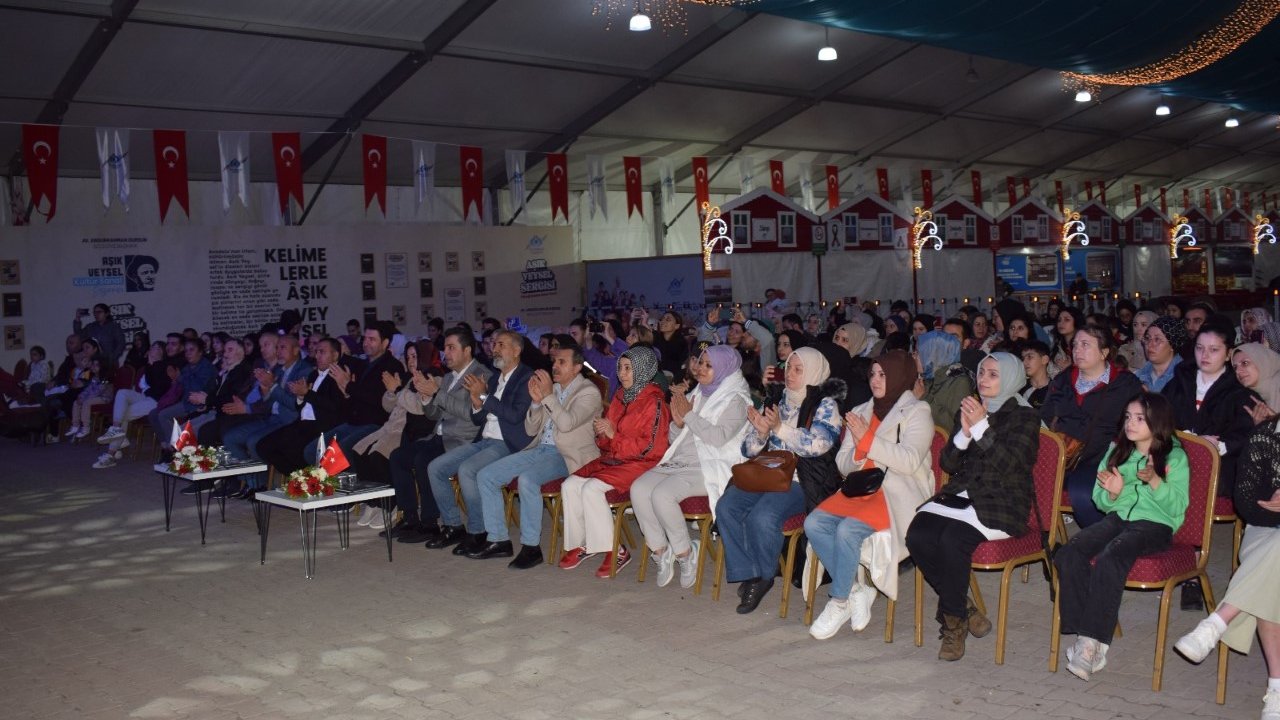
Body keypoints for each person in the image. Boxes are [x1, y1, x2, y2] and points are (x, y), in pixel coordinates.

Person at [907, 352, 1041, 660]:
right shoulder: (969, 408)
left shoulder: (1025, 417)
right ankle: (964, 609)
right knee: (919, 534)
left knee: (952, 539)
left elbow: (1009, 465)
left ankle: (953, 626)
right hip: (964, 494)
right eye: (981, 373)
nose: (983, 380)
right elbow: (949, 463)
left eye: (993, 374)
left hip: (1003, 500)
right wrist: (964, 434)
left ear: (1009, 378)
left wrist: (981, 426)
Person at [1054, 392, 1189, 681]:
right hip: (1118, 518)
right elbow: (1099, 499)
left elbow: (1178, 506)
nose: (1131, 423)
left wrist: (1155, 481)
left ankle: (1090, 644)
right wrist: (1113, 494)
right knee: (1069, 552)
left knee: (1111, 556)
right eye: (1128, 417)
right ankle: (1086, 638)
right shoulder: (1118, 451)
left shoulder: (1174, 456)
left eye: (1139, 418)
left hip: (1155, 525)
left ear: (1158, 421)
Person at [805, 350, 933, 640]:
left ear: (900, 376)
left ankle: (838, 603)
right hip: (861, 486)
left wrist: (868, 440)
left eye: (883, 374)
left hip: (897, 492)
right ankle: (853, 590)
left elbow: (910, 461)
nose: (875, 380)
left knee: (848, 530)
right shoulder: (862, 410)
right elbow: (843, 463)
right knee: (814, 524)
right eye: (873, 373)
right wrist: (860, 452)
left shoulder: (917, 411)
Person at [719, 347, 842, 614]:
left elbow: (818, 445)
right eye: (788, 368)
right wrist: (762, 433)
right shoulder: (776, 399)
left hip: (804, 480)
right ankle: (750, 571)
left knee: (762, 516)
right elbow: (748, 450)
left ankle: (763, 577)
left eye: (798, 370)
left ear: (813, 372)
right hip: (767, 474)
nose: (790, 375)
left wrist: (779, 429)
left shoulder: (826, 404)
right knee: (727, 506)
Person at [1174, 418, 1280, 720]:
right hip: (1265, 531)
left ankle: (1217, 623)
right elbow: (1245, 503)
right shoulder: (1263, 436)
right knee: (1273, 562)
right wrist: (1270, 507)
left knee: (1271, 569)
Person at [472, 344, 603, 569]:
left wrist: (548, 396)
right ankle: (498, 540)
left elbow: (566, 423)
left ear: (577, 367)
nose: (555, 366)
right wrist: (535, 402)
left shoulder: (588, 392)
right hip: (540, 449)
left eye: (562, 362)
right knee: (486, 475)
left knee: (527, 480)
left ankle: (531, 548)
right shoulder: (554, 390)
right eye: (554, 361)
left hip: (567, 455)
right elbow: (532, 429)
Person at [631, 346, 751, 589]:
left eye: (709, 365)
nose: (701, 369)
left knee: (662, 495)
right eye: (701, 363)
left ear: (725, 369)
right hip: (682, 460)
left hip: (709, 465)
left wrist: (689, 417)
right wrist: (677, 424)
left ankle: (685, 553)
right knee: (639, 488)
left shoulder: (737, 400)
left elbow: (718, 438)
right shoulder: (700, 392)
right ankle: (661, 550)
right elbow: (680, 436)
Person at [1161, 317, 1258, 611]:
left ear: (1228, 353)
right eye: (1200, 348)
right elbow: (1160, 416)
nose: (1205, 356)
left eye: (1214, 350)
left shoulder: (1238, 390)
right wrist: (1183, 438)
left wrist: (1218, 446)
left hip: (1221, 468)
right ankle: (1157, 552)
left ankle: (1191, 573)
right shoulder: (1180, 379)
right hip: (1177, 460)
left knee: (1191, 485)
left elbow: (1247, 433)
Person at [559, 346, 670, 578]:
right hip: (615, 459)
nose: (622, 373)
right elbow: (607, 440)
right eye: (620, 367)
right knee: (570, 484)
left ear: (642, 370)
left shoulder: (655, 402)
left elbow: (652, 449)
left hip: (643, 465)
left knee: (591, 488)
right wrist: (602, 435)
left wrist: (613, 436)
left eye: (628, 368)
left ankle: (615, 550)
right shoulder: (620, 396)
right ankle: (584, 543)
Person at [426, 330, 534, 558]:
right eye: (494, 345)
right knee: (436, 468)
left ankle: (478, 532)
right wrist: (477, 402)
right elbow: (478, 418)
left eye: (501, 345)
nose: (494, 349)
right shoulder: (494, 379)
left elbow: (515, 416)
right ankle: (453, 525)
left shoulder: (526, 377)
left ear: (516, 351)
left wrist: (484, 397)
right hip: (484, 440)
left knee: (468, 470)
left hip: (507, 443)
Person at [394, 329, 491, 545]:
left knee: (424, 461)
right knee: (398, 457)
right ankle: (410, 517)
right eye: (445, 348)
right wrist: (427, 397)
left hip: (462, 440)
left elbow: (469, 412)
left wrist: (437, 394)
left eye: (451, 348)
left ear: (467, 350)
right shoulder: (448, 377)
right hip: (438, 436)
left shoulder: (481, 374)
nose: (446, 353)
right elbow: (435, 414)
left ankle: (433, 523)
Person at [1040, 325, 1142, 528]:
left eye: (1085, 345)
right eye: (1075, 345)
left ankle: (1101, 540)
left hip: (1104, 457)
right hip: (1065, 455)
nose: (1077, 351)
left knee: (1083, 493)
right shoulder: (1063, 380)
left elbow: (1139, 423)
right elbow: (1047, 414)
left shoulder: (1124, 384)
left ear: (1104, 352)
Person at [256, 338, 345, 474]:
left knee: (290, 448)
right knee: (263, 446)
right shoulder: (314, 374)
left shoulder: (339, 376)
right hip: (302, 423)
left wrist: (307, 393)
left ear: (335, 355)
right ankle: (299, 478)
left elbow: (333, 407)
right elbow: (301, 406)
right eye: (316, 352)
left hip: (322, 425)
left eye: (322, 352)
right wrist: (300, 396)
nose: (317, 356)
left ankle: (306, 480)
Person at [93, 341, 172, 468]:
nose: (153, 349)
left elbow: (159, 388)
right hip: (146, 397)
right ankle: (116, 429)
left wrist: (153, 363)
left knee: (123, 413)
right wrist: (150, 364)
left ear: (162, 352)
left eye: (157, 348)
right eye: (152, 347)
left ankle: (111, 453)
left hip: (156, 401)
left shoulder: (165, 366)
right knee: (122, 392)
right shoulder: (149, 366)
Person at [915, 330, 974, 435]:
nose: (914, 357)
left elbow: (956, 426)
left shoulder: (960, 382)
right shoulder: (929, 377)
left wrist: (923, 397)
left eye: (918, 353)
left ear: (933, 355)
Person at [65, 356, 112, 441]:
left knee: (86, 402)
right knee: (76, 402)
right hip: (94, 397)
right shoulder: (94, 377)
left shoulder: (106, 379)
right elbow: (89, 389)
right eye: (93, 364)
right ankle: (75, 425)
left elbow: (99, 391)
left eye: (97, 365)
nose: (93, 367)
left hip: (104, 398)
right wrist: (81, 396)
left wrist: (84, 399)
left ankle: (86, 427)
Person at [1135, 316, 1186, 392]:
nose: (1150, 344)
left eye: (1157, 339)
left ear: (1172, 345)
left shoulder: (1184, 378)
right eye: (1148, 338)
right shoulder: (1138, 375)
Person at [1233, 343, 1280, 424]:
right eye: (1235, 367)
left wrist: (1274, 422)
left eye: (1245, 363)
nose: (1237, 371)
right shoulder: (1248, 398)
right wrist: (1261, 426)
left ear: (1262, 361)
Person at [653, 311, 689, 383]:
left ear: (677, 326)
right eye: (662, 319)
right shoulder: (655, 339)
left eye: (668, 320)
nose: (663, 321)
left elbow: (681, 365)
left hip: (673, 379)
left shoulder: (681, 343)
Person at [1051, 307, 1085, 376]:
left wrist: (1071, 368)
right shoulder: (1056, 346)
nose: (1061, 323)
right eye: (1059, 320)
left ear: (1076, 321)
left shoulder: (1084, 346)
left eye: (1067, 320)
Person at [1019, 339, 1053, 407]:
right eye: (1023, 358)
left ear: (1044, 359)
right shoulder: (1019, 387)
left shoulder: (1056, 390)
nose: (1024, 362)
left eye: (1029, 357)